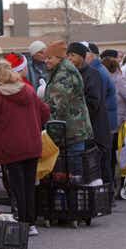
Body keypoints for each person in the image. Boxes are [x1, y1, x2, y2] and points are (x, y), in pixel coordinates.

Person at [0, 60, 50, 236]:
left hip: (10, 149)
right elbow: (45, 112)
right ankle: (31, 222)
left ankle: (22, 221)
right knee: (30, 185)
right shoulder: (28, 91)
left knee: (17, 187)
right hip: (32, 145)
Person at [42, 41, 93, 179]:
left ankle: (74, 199)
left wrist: (41, 118)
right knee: (69, 172)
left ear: (59, 58)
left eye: (49, 58)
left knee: (73, 175)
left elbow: (56, 105)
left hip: (72, 131)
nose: (46, 61)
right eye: (45, 58)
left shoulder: (63, 75)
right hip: (70, 130)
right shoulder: (59, 71)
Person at [67, 42, 111, 184]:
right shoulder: (72, 75)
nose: (69, 58)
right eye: (67, 55)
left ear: (82, 56)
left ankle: (106, 197)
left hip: (96, 128)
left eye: (72, 55)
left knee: (100, 165)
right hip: (83, 130)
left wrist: (74, 106)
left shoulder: (93, 75)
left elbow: (93, 103)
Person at [103, 56, 126, 189]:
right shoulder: (109, 81)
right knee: (113, 158)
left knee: (125, 158)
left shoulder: (120, 81)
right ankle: (115, 186)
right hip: (113, 126)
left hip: (123, 127)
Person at [86, 43, 118, 183]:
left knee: (104, 159)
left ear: (91, 55)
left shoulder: (97, 72)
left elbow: (98, 99)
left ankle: (107, 191)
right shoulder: (98, 69)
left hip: (105, 121)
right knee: (106, 158)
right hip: (106, 120)